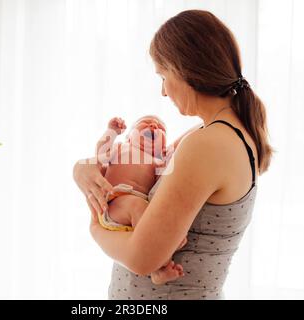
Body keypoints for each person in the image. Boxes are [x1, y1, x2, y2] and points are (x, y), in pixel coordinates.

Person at [73, 9, 272, 299]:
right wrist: (82, 168)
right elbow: (146, 164)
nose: (164, 92)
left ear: (184, 70)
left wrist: (94, 226)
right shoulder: (213, 135)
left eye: (163, 76)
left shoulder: (208, 145)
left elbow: (143, 259)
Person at [95, 115, 187, 285]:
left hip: (139, 208)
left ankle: (159, 269)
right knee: (138, 206)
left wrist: (171, 157)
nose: (154, 125)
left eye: (161, 128)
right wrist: (112, 132)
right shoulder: (121, 148)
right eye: (145, 122)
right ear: (130, 136)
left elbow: (166, 181)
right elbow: (101, 154)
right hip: (115, 202)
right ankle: (160, 263)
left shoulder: (158, 161)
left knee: (156, 215)